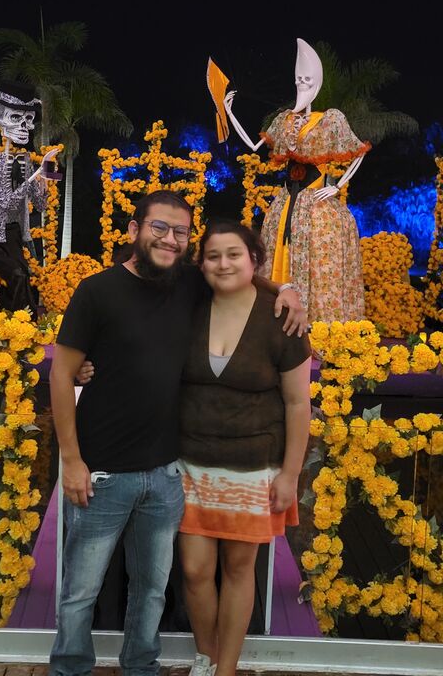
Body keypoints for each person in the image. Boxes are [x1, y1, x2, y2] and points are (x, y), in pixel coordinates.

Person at [48, 190, 306, 676]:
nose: (169, 239)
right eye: (159, 227)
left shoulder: (187, 283)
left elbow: (240, 272)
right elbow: (61, 375)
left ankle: (145, 667)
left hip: (168, 473)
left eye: (180, 232)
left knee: (152, 590)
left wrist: (288, 289)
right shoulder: (97, 291)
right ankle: (70, 668)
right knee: (82, 590)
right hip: (106, 471)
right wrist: (72, 459)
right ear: (134, 230)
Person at [176, 220, 311, 676]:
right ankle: (206, 657)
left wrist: (290, 474)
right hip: (190, 466)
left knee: (238, 569)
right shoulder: (189, 304)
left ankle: (226, 669)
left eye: (234, 254)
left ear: (254, 259)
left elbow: (297, 404)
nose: (223, 264)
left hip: (254, 468)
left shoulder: (282, 319)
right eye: (212, 256)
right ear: (201, 265)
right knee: (194, 570)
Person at [221, 39, 369, 324]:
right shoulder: (284, 120)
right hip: (286, 203)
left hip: (316, 204)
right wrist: (230, 114)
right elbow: (253, 145)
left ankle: (317, 323)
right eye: (298, 79)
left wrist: (336, 186)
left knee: (320, 257)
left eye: (307, 79)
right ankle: (273, 317)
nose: (302, 84)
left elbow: (358, 153)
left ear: (317, 83)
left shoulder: (330, 119)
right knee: (276, 252)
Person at [0, 80, 58, 312]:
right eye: (15, 118)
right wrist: (32, 177)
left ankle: (19, 316)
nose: (24, 126)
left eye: (28, 119)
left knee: (25, 277)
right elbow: (2, 202)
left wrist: (44, 178)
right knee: (18, 275)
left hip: (13, 235)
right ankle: (10, 310)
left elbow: (40, 205)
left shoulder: (24, 160)